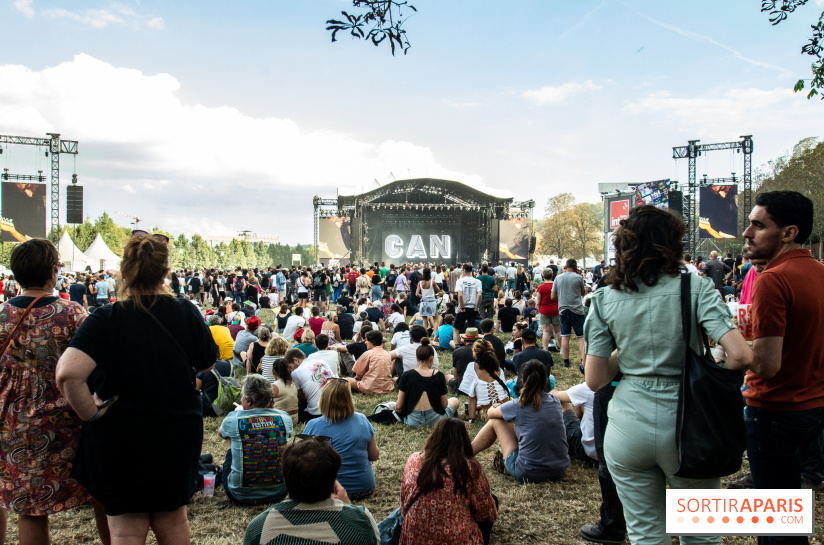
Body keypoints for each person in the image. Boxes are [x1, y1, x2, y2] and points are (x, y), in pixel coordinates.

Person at [584, 205, 752, 545]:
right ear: (673, 243)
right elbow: (741, 355)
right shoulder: (696, 287)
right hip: (690, 421)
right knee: (701, 534)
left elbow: (596, 379)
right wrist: (714, 379)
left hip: (628, 425)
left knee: (646, 534)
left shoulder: (605, 297)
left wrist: (628, 352)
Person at [56, 233, 219, 543]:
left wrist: (90, 413)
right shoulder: (186, 311)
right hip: (176, 431)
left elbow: (68, 374)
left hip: (120, 434)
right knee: (174, 520)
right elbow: (208, 363)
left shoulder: (106, 318)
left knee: (126, 528)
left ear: (125, 271)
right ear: (166, 272)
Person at [0, 239, 109, 545]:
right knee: (99, 493)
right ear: (52, 272)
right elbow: (97, 361)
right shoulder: (70, 313)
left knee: (31, 509)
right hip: (69, 417)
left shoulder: (2, 314)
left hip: (14, 421)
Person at [739, 191, 824, 543]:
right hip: (813, 407)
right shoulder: (819, 272)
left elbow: (767, 365)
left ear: (788, 233)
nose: (747, 233)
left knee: (776, 528)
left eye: (758, 225)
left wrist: (731, 349)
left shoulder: (773, 279)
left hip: (774, 410)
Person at [242, 438, 380, 545]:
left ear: (285, 478)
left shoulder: (258, 529)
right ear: (333, 480)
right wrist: (348, 507)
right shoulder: (363, 521)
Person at [399, 418, 498, 545]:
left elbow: (403, 505)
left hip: (413, 539)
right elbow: (487, 514)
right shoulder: (469, 467)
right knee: (493, 500)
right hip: (456, 539)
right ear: (464, 440)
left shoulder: (413, 459)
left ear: (433, 436)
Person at [472, 360, 570, 483]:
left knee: (495, 421)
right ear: (546, 381)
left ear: (522, 381)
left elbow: (491, 413)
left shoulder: (518, 405)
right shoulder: (555, 401)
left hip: (528, 472)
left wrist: (499, 406)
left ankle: (466, 455)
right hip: (559, 470)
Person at [219, 374, 293, 505]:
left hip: (239, 494)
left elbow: (221, 433)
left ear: (249, 400)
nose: (241, 400)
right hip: (279, 491)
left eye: (242, 397)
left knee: (230, 437)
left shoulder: (233, 419)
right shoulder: (285, 418)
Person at [304, 379, 380, 500]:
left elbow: (304, 462)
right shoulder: (362, 420)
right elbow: (374, 456)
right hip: (364, 488)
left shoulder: (313, 425)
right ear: (349, 399)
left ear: (323, 399)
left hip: (327, 491)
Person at [396, 338, 460, 428]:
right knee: (454, 400)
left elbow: (398, 407)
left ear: (417, 358)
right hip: (436, 420)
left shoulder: (406, 375)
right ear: (431, 358)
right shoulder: (439, 375)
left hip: (413, 421)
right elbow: (444, 405)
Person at [461, 340, 510, 424]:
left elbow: (472, 397)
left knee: (482, 405)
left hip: (489, 412)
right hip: (505, 409)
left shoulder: (472, 367)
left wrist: (471, 420)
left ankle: (477, 408)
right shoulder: (499, 369)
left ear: (475, 354)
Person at [551, 381, 599, 465]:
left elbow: (553, 395)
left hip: (589, 453)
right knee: (580, 402)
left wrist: (554, 390)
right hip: (613, 455)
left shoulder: (588, 389)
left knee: (564, 403)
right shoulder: (622, 389)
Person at [552, 259, 587, 369]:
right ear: (575, 267)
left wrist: (562, 298)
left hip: (563, 310)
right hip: (577, 310)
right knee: (581, 337)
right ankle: (583, 360)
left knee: (565, 336)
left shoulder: (558, 278)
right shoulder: (579, 277)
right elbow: (582, 293)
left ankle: (566, 361)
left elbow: (553, 296)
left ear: (565, 266)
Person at [291, 347, 337, 423]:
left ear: (296, 360)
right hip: (337, 409)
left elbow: (302, 400)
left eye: (290, 367)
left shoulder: (295, 373)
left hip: (317, 414)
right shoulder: (322, 361)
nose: (290, 370)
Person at [346, 330, 394, 395]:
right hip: (387, 388)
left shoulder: (367, 354)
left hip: (369, 388)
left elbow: (358, 375)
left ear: (373, 342)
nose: (365, 342)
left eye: (367, 340)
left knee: (345, 380)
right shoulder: (387, 354)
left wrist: (357, 381)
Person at [453, 263, 482, 345]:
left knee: (456, 328)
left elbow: (460, 295)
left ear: (464, 270)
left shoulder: (460, 281)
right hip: (473, 307)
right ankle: (471, 346)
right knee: (471, 328)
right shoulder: (478, 281)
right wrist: (476, 307)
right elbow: (479, 295)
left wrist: (462, 307)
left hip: (464, 307)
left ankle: (457, 346)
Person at [535, 268, 561, 351]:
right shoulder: (556, 285)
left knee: (545, 331)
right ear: (552, 275)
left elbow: (538, 302)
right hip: (555, 310)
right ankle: (562, 349)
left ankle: (545, 349)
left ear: (543, 276)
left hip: (544, 310)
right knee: (558, 331)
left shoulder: (541, 287)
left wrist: (539, 309)